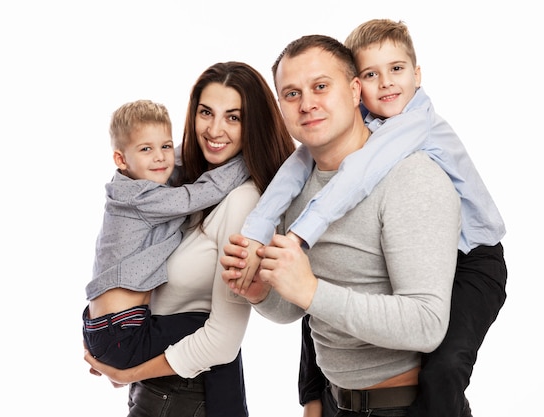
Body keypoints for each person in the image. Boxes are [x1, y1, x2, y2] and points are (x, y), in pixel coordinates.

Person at [235, 19, 507, 417]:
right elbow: (305, 308)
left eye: (321, 86)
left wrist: (301, 241)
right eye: (292, 93)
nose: (307, 103)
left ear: (352, 91)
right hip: (339, 404)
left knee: (445, 369)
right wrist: (260, 282)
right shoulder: (307, 173)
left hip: (475, 256)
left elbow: (424, 323)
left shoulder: (408, 152)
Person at [83, 62, 296, 417]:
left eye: (233, 117)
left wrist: (125, 371)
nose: (214, 129)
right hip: (154, 390)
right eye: (205, 113)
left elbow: (223, 342)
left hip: (187, 395)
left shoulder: (241, 200)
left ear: (252, 126)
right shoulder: (175, 183)